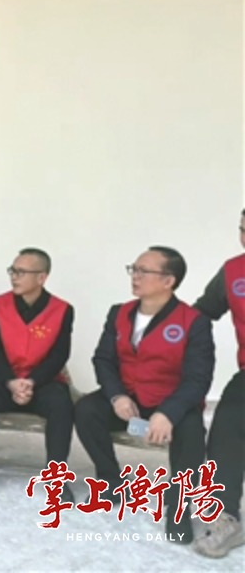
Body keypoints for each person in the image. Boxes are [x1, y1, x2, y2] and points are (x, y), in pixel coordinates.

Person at [75, 246, 213, 544]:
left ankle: (178, 508)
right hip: (129, 399)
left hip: (170, 401)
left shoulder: (193, 321)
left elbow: (198, 378)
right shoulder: (119, 312)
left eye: (143, 271)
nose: (135, 276)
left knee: (192, 434)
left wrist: (168, 413)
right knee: (86, 410)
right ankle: (112, 483)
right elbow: (104, 360)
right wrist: (117, 396)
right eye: (133, 269)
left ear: (168, 281)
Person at [0, 248, 75, 500]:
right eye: (12, 271)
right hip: (2, 378)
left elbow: (59, 355)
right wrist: (11, 382)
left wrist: (32, 382)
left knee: (62, 405)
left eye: (21, 272)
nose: (14, 277)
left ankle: (57, 478)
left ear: (42, 277)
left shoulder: (62, 309)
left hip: (42, 381)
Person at [192, 209, 245, 558]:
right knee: (226, 426)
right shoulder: (233, 271)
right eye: (243, 229)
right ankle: (227, 517)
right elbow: (200, 313)